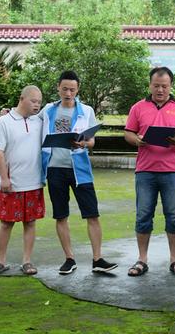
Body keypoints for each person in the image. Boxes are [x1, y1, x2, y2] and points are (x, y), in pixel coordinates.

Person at [41, 70, 117, 275]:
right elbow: (29, 119)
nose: (68, 93)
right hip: (54, 168)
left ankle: (97, 259)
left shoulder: (86, 111)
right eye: (64, 89)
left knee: (92, 213)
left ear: (78, 89)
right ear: (58, 87)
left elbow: (91, 140)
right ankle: (69, 259)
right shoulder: (47, 110)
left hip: (79, 169)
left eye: (72, 89)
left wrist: (83, 142)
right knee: (61, 215)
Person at [124, 66, 175, 277]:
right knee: (143, 215)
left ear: (171, 86)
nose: (160, 90)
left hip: (172, 170)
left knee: (174, 215)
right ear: (150, 85)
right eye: (156, 86)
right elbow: (128, 132)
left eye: (164, 86)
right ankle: (142, 259)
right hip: (145, 170)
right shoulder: (138, 108)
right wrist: (137, 140)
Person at [0, 86, 44, 276]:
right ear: (22, 99)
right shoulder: (4, 122)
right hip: (10, 183)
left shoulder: (39, 121)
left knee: (30, 222)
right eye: (33, 101)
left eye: (39, 102)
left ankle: (27, 261)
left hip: (34, 182)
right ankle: (0, 261)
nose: (37, 105)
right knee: (6, 223)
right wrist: (4, 178)